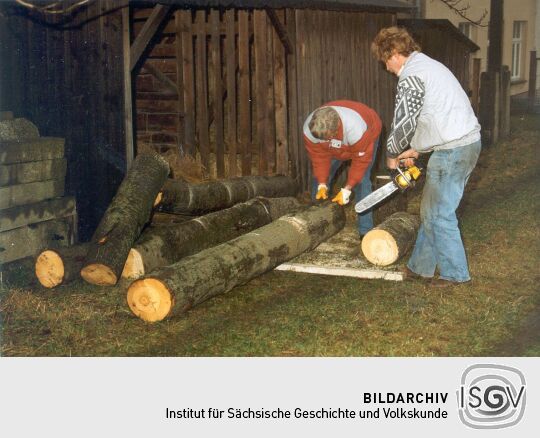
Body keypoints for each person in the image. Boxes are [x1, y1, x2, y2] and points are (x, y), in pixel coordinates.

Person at [371, 26, 481, 287]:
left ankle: (455, 275)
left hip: (454, 150)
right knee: (432, 210)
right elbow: (435, 115)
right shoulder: (428, 66)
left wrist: (392, 154)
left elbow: (404, 122)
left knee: (440, 213)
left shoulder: (412, 75)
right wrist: (417, 149)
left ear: (394, 53)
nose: (386, 68)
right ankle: (420, 267)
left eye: (385, 61)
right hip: (458, 145)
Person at [303, 100, 382, 237]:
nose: (324, 141)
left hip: (366, 134)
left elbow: (360, 162)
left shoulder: (357, 128)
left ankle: (365, 231)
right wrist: (322, 182)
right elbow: (318, 157)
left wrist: (347, 189)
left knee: (362, 181)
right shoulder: (310, 130)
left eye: (326, 138)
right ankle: (316, 221)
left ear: (336, 129)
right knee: (319, 177)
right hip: (339, 143)